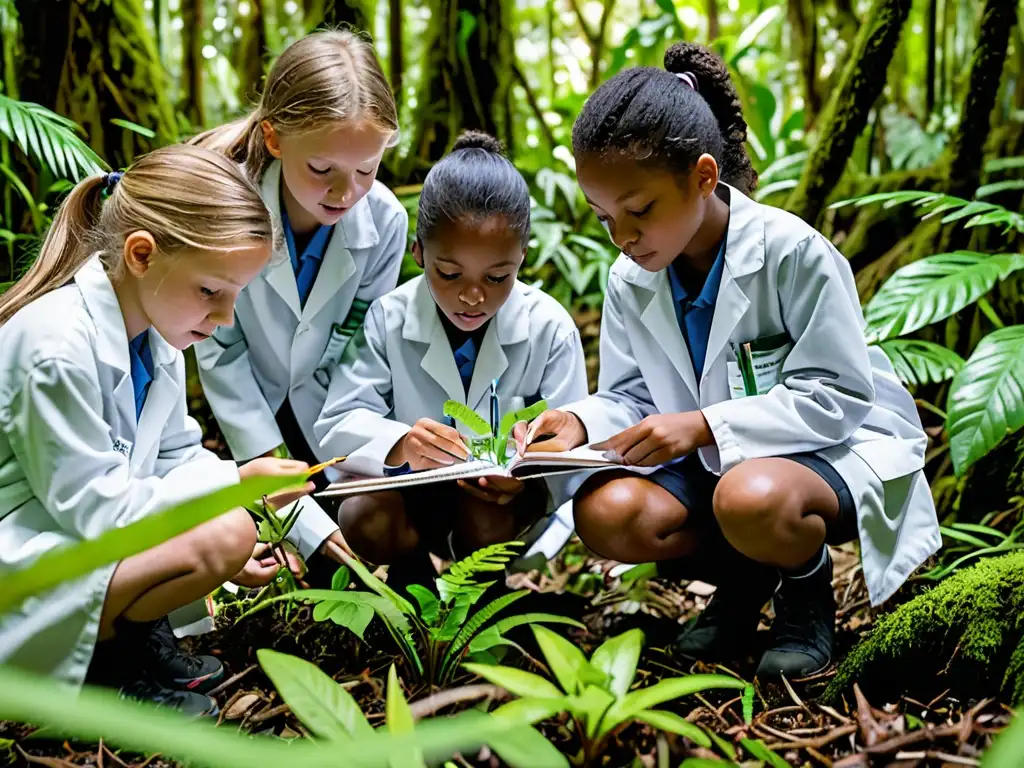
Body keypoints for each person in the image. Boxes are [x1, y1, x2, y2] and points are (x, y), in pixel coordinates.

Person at [520, 43, 940, 678]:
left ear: (704, 177)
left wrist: (704, 427)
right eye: (605, 217)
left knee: (750, 497)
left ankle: (803, 592)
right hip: (716, 467)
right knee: (607, 513)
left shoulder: (795, 253)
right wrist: (579, 422)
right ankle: (743, 586)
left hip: (831, 452)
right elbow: (634, 392)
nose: (623, 236)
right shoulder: (630, 277)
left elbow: (840, 394)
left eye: (640, 211)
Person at [0, 146, 315, 715]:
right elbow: (97, 511)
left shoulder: (154, 334)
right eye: (211, 291)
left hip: (75, 542)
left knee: (227, 534)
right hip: (23, 559)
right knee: (226, 529)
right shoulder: (55, 347)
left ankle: (131, 640)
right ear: (141, 254)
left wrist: (219, 538)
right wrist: (238, 486)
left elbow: (177, 455)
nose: (224, 318)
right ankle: (107, 671)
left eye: (235, 296)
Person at [315, 132, 588, 584]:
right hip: (409, 500)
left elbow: (573, 449)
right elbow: (338, 423)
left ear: (522, 257)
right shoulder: (388, 318)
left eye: (498, 277)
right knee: (364, 515)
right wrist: (401, 445)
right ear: (418, 252)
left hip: (498, 510)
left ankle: (483, 588)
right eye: (449, 273)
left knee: (487, 518)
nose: (473, 295)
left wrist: (528, 479)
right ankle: (411, 575)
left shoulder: (549, 327)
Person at [192, 29, 408, 572]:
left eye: (366, 170)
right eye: (322, 171)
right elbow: (221, 351)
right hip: (248, 406)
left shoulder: (385, 221)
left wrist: (347, 448)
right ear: (274, 138)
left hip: (328, 409)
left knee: (372, 528)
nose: (344, 193)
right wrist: (267, 464)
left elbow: (362, 345)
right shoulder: (226, 207)